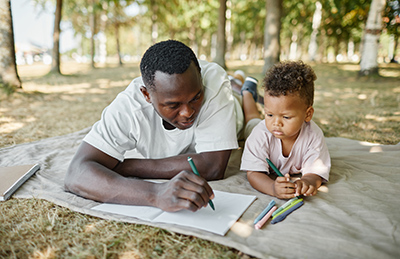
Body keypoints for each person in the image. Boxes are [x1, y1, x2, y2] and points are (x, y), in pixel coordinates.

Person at [64, 39, 261, 212]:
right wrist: (155, 193)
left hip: (234, 109)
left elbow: (212, 166)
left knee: (243, 98)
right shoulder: (128, 108)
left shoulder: (213, 81)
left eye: (196, 98)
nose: (188, 112)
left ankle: (243, 88)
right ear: (147, 95)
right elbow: (76, 173)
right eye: (173, 105)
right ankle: (238, 81)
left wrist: (127, 167)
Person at [240, 61, 331, 199]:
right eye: (269, 114)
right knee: (252, 119)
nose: (276, 123)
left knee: (258, 117)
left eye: (286, 117)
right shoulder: (260, 134)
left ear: (307, 114)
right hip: (255, 127)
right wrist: (272, 188)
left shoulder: (313, 135)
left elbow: (316, 173)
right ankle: (247, 91)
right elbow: (253, 173)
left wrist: (307, 182)